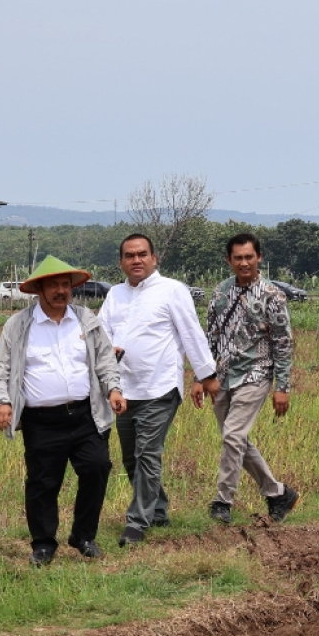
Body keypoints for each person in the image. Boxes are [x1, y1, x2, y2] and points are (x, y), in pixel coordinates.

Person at [0, 256, 126, 567]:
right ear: (39, 290)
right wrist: (1, 402)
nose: (61, 291)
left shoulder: (85, 319)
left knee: (97, 466)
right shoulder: (19, 325)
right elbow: (0, 367)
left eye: (65, 285)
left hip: (85, 414)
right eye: (54, 285)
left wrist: (113, 389)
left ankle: (83, 535)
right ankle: (44, 544)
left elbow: (105, 360)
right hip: (41, 421)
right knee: (43, 482)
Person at [98, 233, 219, 546]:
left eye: (142, 254)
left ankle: (136, 522)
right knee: (130, 459)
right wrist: (108, 353)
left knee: (147, 455)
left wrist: (206, 376)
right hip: (124, 390)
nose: (136, 260)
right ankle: (160, 510)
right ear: (121, 261)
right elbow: (101, 334)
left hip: (160, 387)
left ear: (154, 258)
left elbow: (192, 333)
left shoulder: (172, 291)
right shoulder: (115, 295)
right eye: (129, 255)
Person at [204, 232, 299, 524]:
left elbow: (283, 343)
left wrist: (281, 387)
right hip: (223, 377)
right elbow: (210, 338)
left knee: (233, 436)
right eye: (238, 258)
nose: (244, 263)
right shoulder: (220, 293)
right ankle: (277, 493)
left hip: (256, 373)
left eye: (249, 257)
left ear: (259, 258)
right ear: (229, 260)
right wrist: (202, 377)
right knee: (237, 440)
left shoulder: (273, 295)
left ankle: (223, 501)